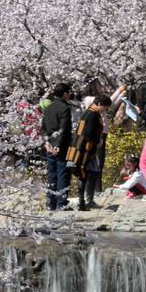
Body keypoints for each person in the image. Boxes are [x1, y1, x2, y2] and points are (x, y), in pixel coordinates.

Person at [66, 95, 111, 211]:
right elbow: (90, 131)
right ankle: (84, 201)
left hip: (83, 148)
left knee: (88, 173)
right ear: (100, 104)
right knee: (84, 173)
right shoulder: (93, 114)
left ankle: (86, 200)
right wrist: (98, 140)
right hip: (85, 149)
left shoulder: (89, 112)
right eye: (105, 108)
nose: (105, 111)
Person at [41, 83, 73, 211]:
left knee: (52, 174)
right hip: (61, 144)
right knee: (62, 172)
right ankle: (61, 202)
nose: (69, 95)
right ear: (65, 94)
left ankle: (50, 203)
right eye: (68, 92)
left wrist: (46, 141)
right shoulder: (64, 107)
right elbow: (64, 128)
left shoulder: (49, 107)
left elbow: (43, 128)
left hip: (50, 144)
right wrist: (58, 145)